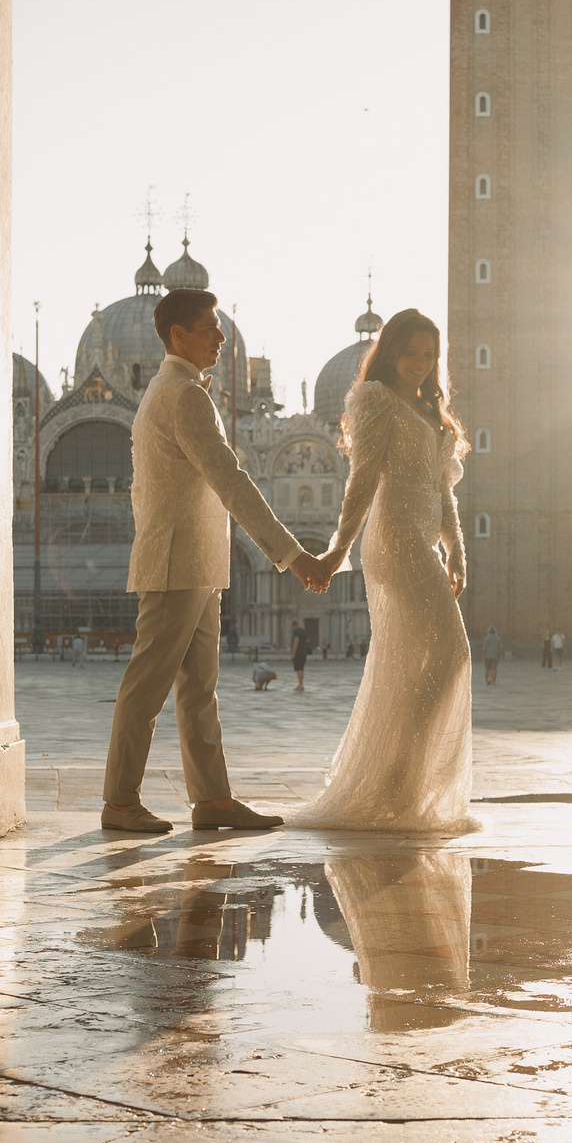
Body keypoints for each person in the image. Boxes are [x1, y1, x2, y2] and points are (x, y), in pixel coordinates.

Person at [100, 288, 331, 834]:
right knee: (147, 686)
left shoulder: (174, 391)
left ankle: (212, 800)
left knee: (199, 690)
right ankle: (119, 801)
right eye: (210, 328)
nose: (221, 338)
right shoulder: (182, 395)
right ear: (178, 335)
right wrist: (293, 556)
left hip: (198, 562)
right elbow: (230, 479)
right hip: (178, 561)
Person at [290, 309, 478, 835]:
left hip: (426, 541)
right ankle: (398, 776)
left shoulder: (432, 410)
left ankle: (401, 780)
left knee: (423, 660)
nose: (420, 363)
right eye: (412, 351)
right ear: (390, 350)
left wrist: (457, 553)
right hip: (393, 539)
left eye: (430, 355)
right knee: (452, 653)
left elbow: (444, 493)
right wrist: (335, 553)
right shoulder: (375, 400)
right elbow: (364, 479)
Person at [290, 618, 315, 691]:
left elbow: (296, 641)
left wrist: (293, 653)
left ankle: (300, 685)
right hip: (304, 652)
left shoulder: (295, 631)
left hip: (298, 652)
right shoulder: (304, 630)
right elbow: (308, 640)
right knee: (301, 668)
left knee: (298, 669)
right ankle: (301, 684)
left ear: (292, 625)